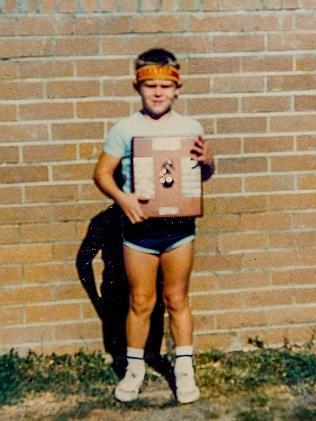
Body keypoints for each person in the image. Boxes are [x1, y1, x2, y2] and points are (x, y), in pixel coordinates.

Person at [94, 48, 214, 404]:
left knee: (176, 298)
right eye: (150, 86)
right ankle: (135, 370)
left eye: (165, 85)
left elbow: (202, 174)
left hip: (179, 232)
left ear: (178, 89)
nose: (158, 93)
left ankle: (184, 368)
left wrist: (209, 160)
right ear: (137, 87)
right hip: (139, 233)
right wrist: (123, 198)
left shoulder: (191, 127)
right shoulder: (125, 128)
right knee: (141, 301)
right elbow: (101, 174)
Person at [76, 203, 175, 388]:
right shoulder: (105, 220)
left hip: (147, 291)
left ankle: (145, 363)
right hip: (119, 290)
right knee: (121, 348)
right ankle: (131, 368)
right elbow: (83, 259)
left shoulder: (152, 217)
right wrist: (95, 299)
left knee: (149, 345)